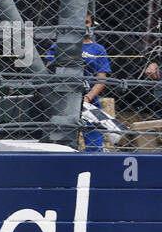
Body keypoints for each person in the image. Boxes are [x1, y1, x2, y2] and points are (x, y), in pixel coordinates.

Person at [43, 13, 111, 150]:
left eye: (86, 22)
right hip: (62, 100)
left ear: (91, 24)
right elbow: (47, 70)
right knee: (61, 142)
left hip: (89, 102)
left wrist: (88, 97)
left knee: (94, 144)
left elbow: (101, 79)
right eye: (80, 23)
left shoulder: (98, 49)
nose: (83, 26)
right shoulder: (58, 46)